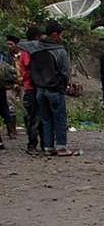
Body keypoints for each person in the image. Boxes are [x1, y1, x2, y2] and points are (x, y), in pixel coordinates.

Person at [21, 20, 71, 156]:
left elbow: (20, 44)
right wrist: (62, 86)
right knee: (59, 118)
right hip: (54, 89)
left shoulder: (34, 47)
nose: (62, 38)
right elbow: (65, 72)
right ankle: (61, 147)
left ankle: (48, 147)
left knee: (46, 119)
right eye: (61, 35)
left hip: (39, 89)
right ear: (55, 35)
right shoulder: (59, 51)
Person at [7, 31, 42, 153]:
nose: (9, 46)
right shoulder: (26, 53)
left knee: (31, 113)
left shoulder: (24, 52)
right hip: (24, 86)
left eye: (11, 44)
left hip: (27, 86)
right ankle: (31, 143)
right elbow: (27, 68)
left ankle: (36, 142)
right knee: (30, 115)